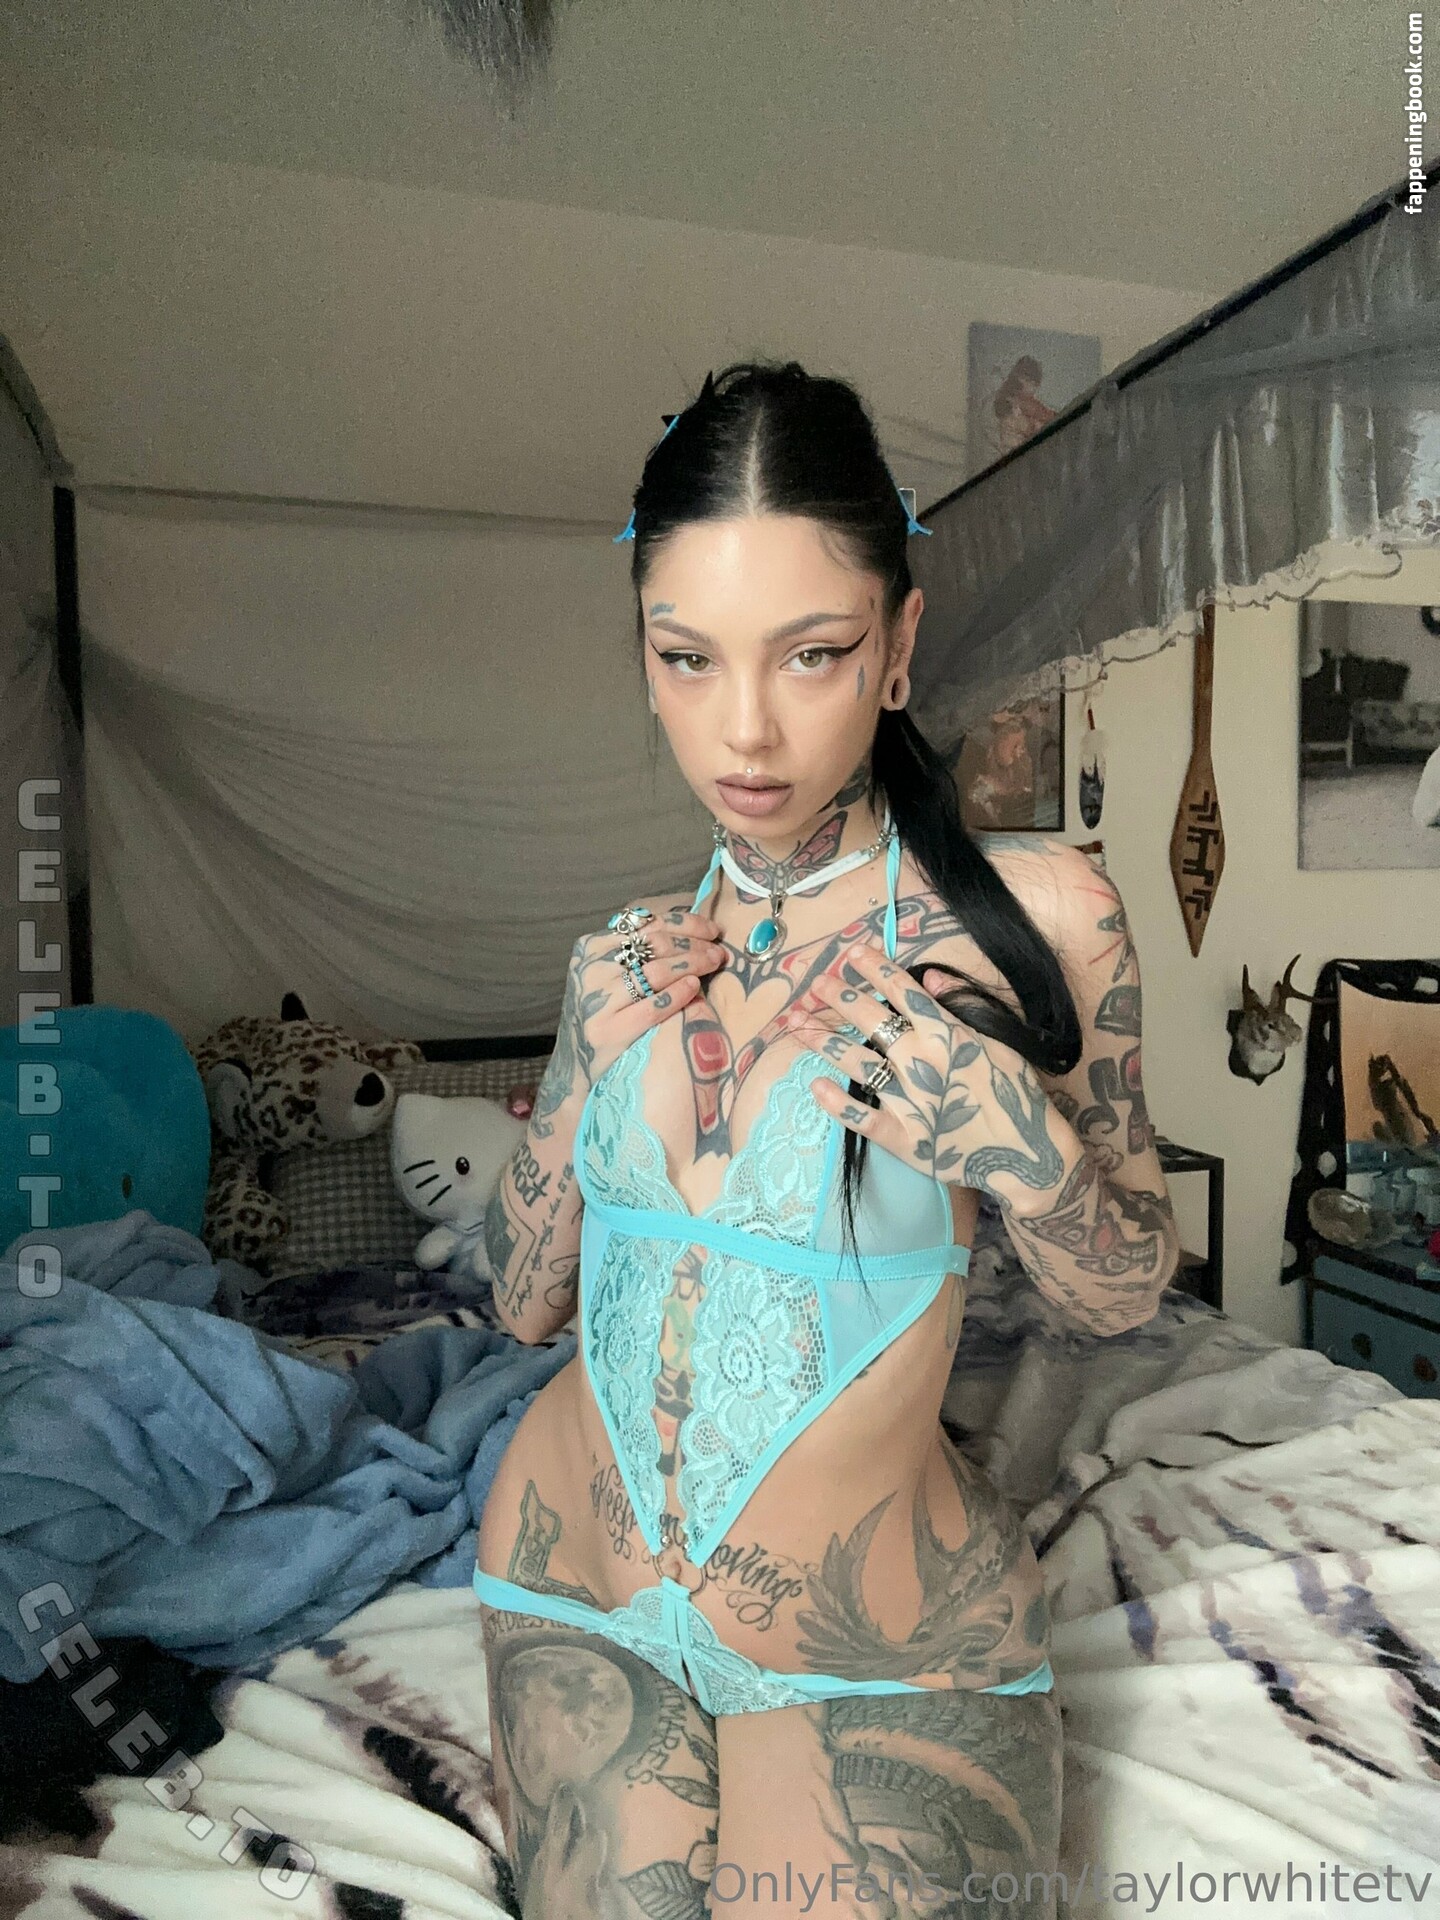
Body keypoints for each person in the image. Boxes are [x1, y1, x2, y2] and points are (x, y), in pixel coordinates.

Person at [473, 360, 1180, 1919]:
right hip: (574, 1589)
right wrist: (579, 1070)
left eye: (812, 654)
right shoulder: (631, 959)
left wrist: (1023, 1142)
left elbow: (1124, 1293)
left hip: (879, 1644)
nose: (745, 729)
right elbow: (519, 1306)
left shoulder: (1039, 918)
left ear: (900, 646)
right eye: (687, 657)